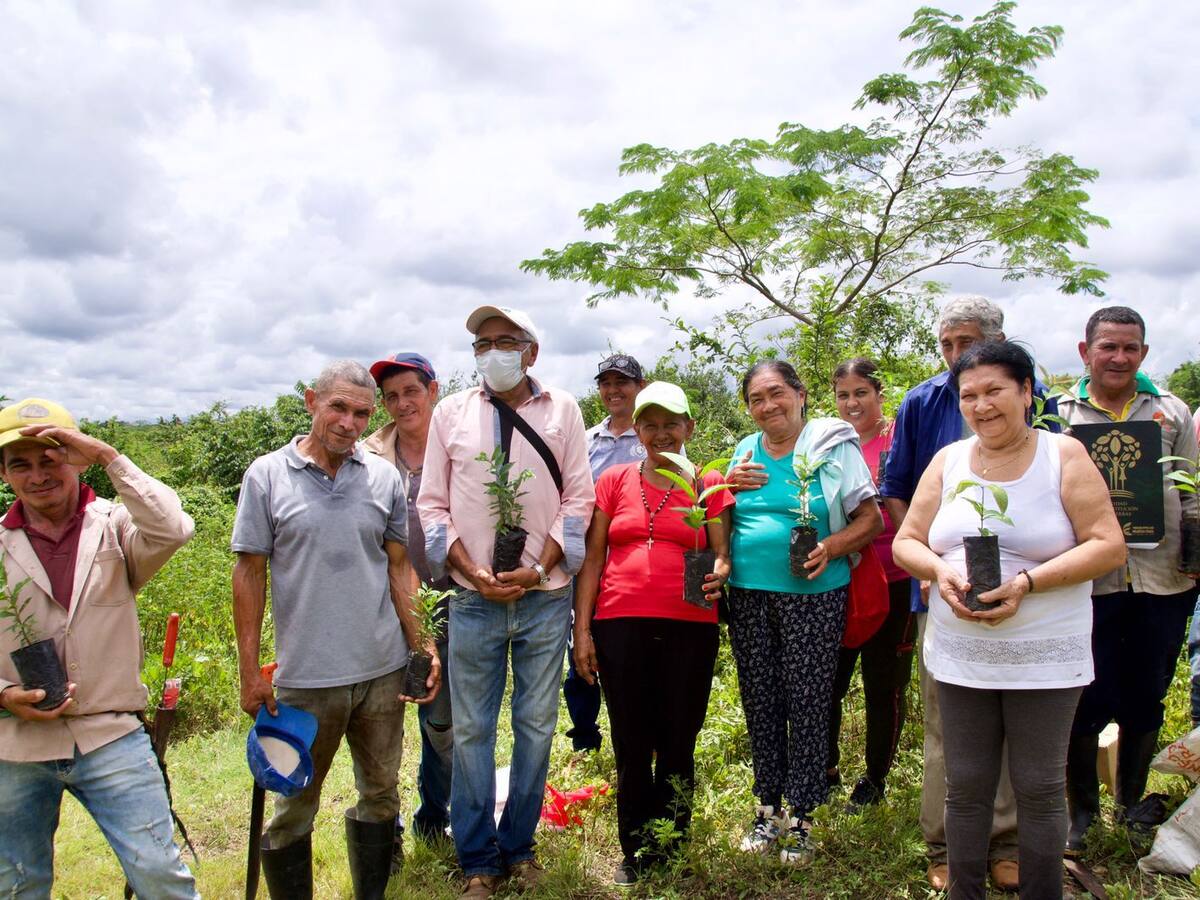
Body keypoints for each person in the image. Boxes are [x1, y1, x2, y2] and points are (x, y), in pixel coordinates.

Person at [893, 341, 1125, 900]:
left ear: (1025, 392)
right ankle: (964, 891)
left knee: (1039, 787)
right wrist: (939, 572)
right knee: (966, 785)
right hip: (962, 652)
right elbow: (906, 541)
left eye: (994, 390)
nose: (981, 405)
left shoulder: (1062, 455)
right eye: (968, 395)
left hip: (1044, 653)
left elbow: (1108, 544)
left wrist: (1027, 583)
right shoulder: (948, 460)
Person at [232, 360, 439, 900]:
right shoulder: (267, 475)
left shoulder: (383, 477)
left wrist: (423, 645)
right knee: (292, 804)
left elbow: (399, 568)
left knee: (381, 794)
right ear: (311, 402)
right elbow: (249, 573)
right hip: (305, 681)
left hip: (381, 674)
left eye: (362, 414)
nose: (349, 423)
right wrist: (250, 672)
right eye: (338, 408)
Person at [880, 295, 1057, 890]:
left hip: (1025, 596)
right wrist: (928, 567)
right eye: (947, 345)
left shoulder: (1034, 397)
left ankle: (1005, 842)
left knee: (1012, 723)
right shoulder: (922, 401)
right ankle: (945, 846)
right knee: (947, 725)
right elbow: (896, 489)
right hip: (943, 591)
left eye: (968, 343)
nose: (956, 356)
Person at [418, 305, 594, 899]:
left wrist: (538, 567)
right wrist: (470, 569)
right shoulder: (451, 413)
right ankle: (478, 859)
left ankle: (519, 845)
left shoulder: (563, 409)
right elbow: (432, 504)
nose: (492, 352)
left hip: (546, 598)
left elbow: (578, 500)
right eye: (482, 344)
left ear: (530, 351)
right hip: (473, 599)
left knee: (536, 725)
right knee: (472, 729)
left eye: (504, 341)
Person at [0, 399, 198, 898]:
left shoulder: (114, 526)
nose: (38, 476)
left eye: (51, 459)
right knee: (17, 883)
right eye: (20, 464)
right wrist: (3, 693)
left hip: (110, 734)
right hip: (14, 744)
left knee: (160, 874)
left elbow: (174, 527)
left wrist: (109, 456)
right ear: (4, 473)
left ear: (76, 458)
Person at [573, 381, 733, 886]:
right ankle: (636, 849)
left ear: (689, 427)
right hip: (619, 624)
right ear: (637, 430)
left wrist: (719, 572)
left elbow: (722, 553)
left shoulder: (707, 482)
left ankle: (673, 843)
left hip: (690, 624)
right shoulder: (614, 480)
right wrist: (582, 630)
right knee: (631, 737)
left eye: (671, 424)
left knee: (679, 734)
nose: (661, 434)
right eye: (650, 425)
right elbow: (593, 559)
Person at [723, 360, 882, 862]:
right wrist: (725, 486)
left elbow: (871, 519)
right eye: (756, 399)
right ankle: (768, 809)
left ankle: (803, 818)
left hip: (813, 597)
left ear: (800, 393)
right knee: (761, 701)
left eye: (776, 393)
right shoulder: (745, 450)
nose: (768, 405)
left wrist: (830, 547)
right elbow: (721, 513)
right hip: (748, 595)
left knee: (809, 702)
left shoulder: (831, 446)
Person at [1058, 306, 1200, 850]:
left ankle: (1130, 804)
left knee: (1147, 692)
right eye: (1108, 346)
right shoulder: (1057, 415)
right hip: (1089, 584)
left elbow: (1191, 491)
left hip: (1163, 580)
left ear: (1143, 352)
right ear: (1085, 351)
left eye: (1130, 348)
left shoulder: (1172, 412)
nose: (1119, 357)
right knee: (1084, 693)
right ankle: (1081, 812)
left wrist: (1195, 553)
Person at [364, 352, 453, 853]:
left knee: (441, 720)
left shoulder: (458, 443)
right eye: (391, 396)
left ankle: (434, 815)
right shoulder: (369, 456)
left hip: (450, 601)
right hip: (385, 605)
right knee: (382, 721)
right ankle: (385, 829)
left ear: (433, 391)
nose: (402, 404)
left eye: (411, 392)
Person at [825, 358, 917, 812]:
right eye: (843, 395)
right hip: (840, 579)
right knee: (828, 681)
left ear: (879, 393)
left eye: (861, 392)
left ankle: (875, 779)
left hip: (895, 579)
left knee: (884, 685)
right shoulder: (826, 444)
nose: (852, 403)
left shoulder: (899, 439)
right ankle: (826, 768)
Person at [565, 353, 648, 753]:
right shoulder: (587, 441)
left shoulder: (653, 437)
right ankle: (585, 737)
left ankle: (633, 735)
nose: (613, 391)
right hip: (587, 561)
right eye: (606, 384)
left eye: (622, 383)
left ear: (640, 387)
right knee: (579, 645)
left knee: (629, 651)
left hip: (632, 566)